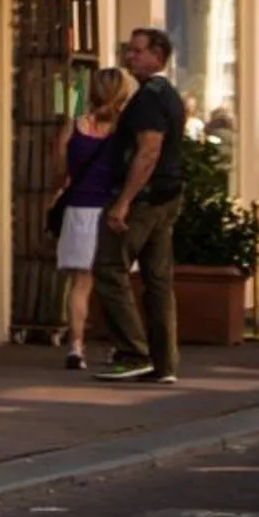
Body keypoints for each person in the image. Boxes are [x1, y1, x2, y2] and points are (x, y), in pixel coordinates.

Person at [93, 27, 189, 384]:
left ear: (157, 55)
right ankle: (164, 364)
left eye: (136, 51)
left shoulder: (149, 97)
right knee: (158, 280)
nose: (129, 57)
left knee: (109, 268)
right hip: (167, 196)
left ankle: (133, 353)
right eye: (128, 50)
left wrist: (123, 203)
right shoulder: (170, 95)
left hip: (145, 200)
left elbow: (149, 150)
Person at [53, 67, 134, 370]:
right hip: (112, 211)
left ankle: (75, 347)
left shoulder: (73, 127)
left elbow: (60, 173)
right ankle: (118, 345)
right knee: (115, 282)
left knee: (80, 283)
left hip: (78, 210)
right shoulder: (124, 132)